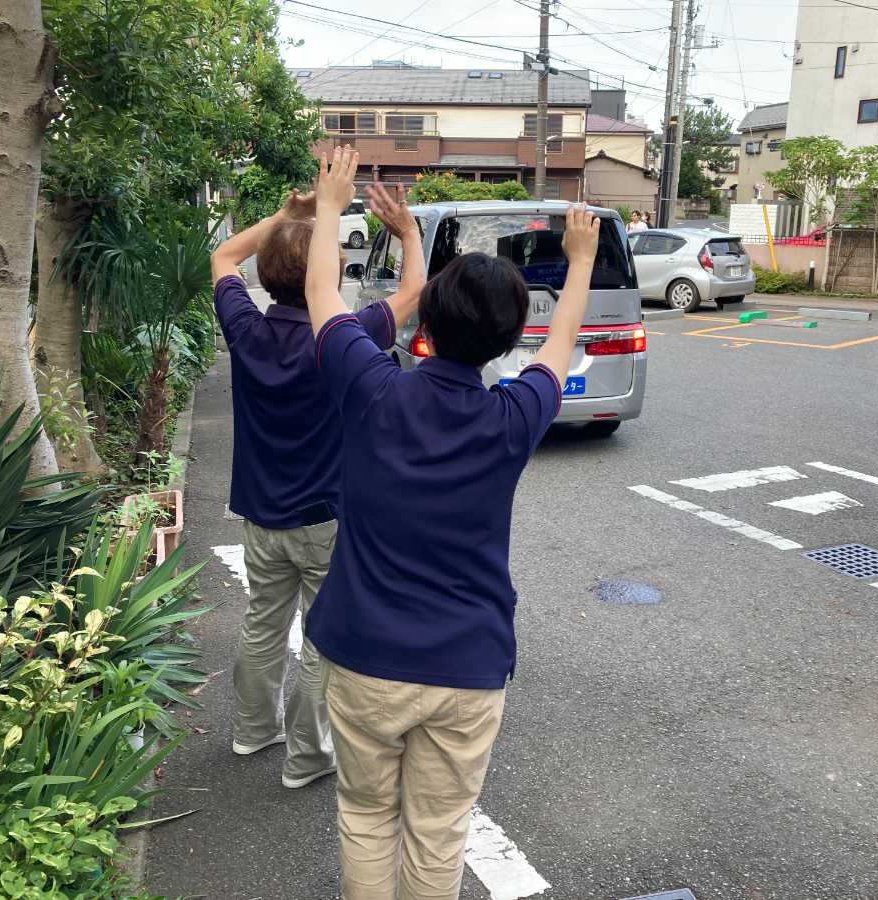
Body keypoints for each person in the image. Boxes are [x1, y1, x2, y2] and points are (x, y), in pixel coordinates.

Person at [303, 147, 599, 900]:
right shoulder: (514, 416)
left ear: (424, 320)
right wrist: (580, 259)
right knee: (439, 837)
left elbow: (320, 295)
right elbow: (561, 343)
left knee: (366, 817)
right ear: (507, 342)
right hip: (467, 664)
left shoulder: (372, 388)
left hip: (364, 652)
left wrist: (334, 205)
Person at [209, 181, 425, 789]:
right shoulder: (346, 337)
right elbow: (413, 292)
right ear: (327, 273)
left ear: (270, 276)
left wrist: (282, 217)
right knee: (321, 640)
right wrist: (407, 232)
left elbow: (223, 257)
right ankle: (307, 758)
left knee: (261, 620)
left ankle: (253, 731)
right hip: (327, 516)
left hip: (258, 512)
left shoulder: (246, 329)